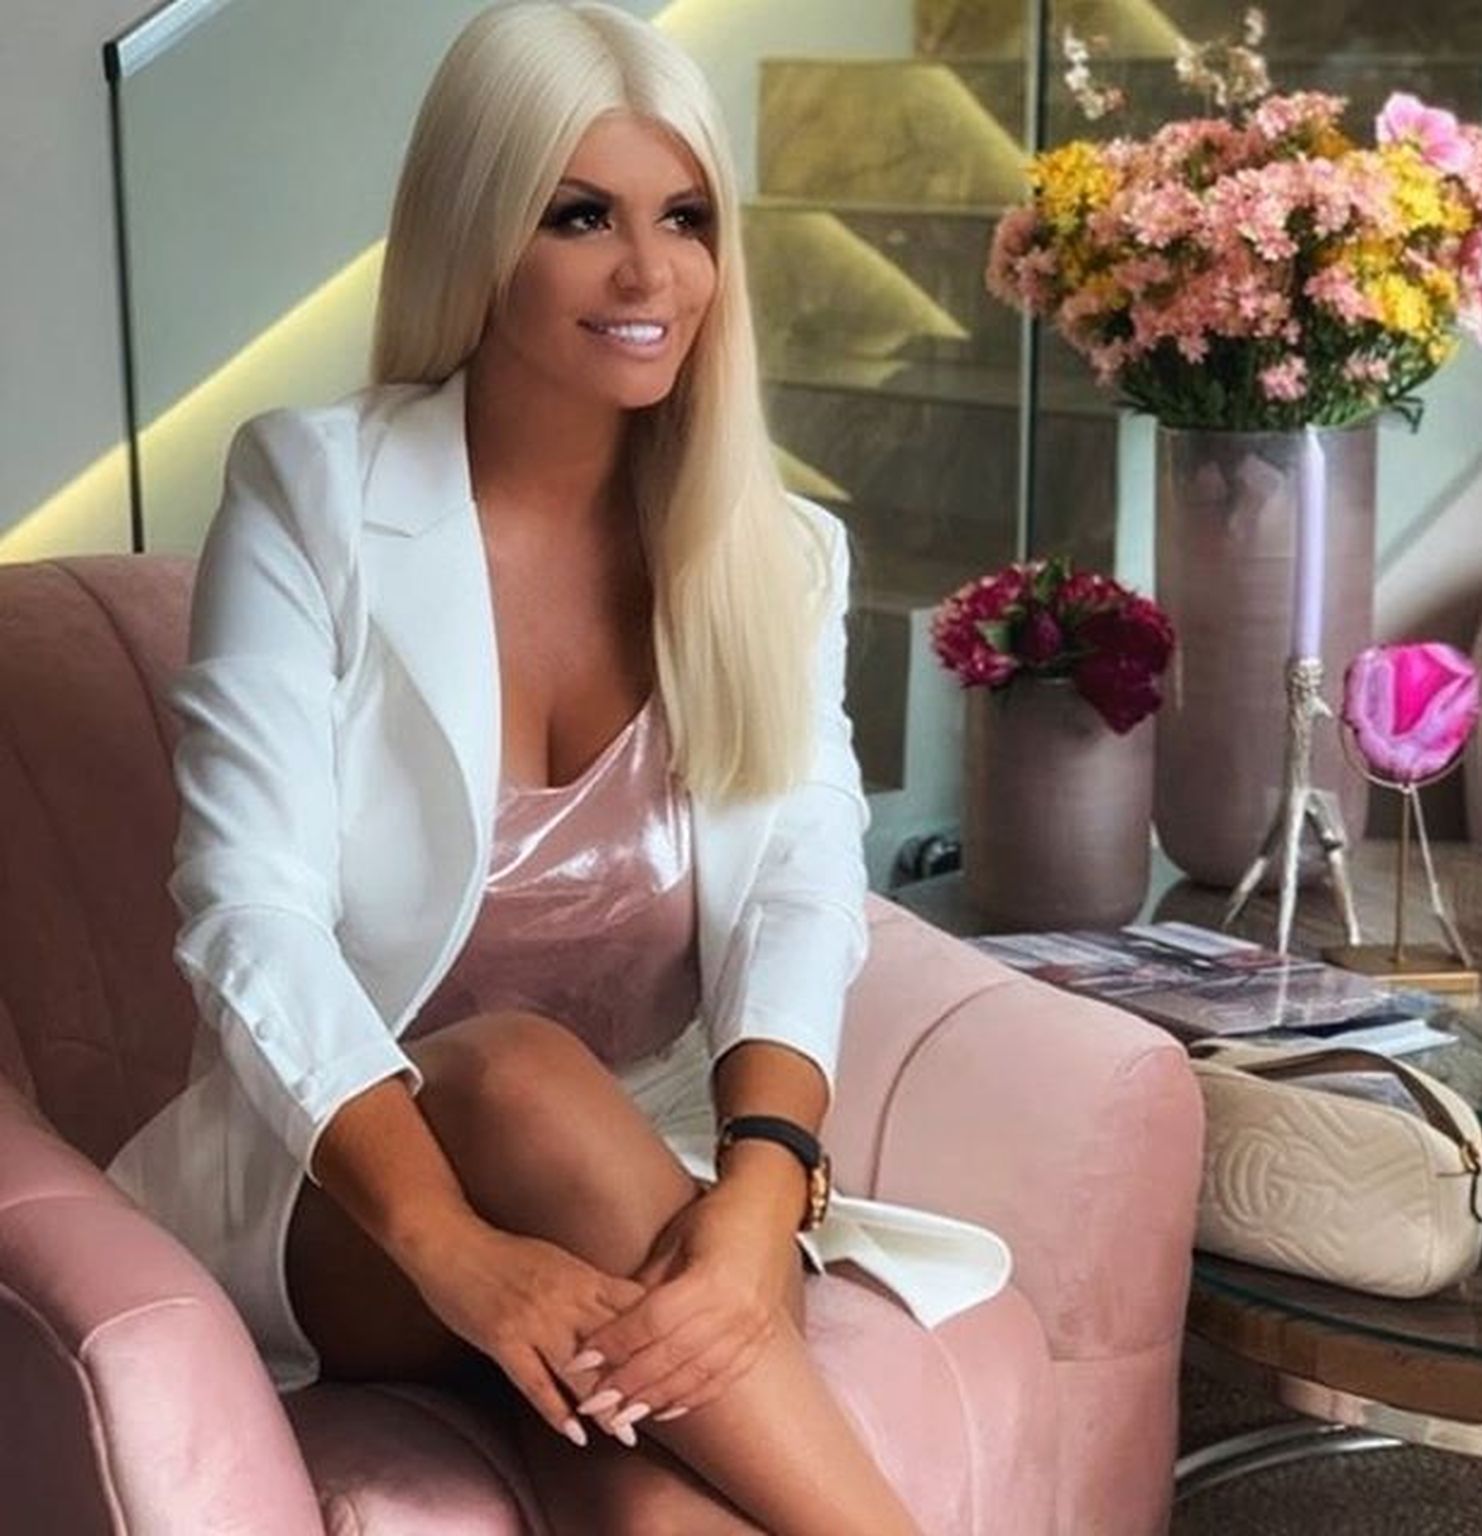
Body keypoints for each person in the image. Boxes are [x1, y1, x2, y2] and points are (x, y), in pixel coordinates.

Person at [106, 3, 1011, 1531]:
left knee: (653, 1510)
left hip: (654, 1164)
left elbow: (799, 893)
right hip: (347, 1186)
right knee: (523, 1071)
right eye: (581, 216)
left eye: (686, 218)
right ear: (477, 232)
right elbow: (249, 913)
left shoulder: (782, 553)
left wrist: (758, 1199)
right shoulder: (312, 489)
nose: (649, 273)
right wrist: (460, 1254)